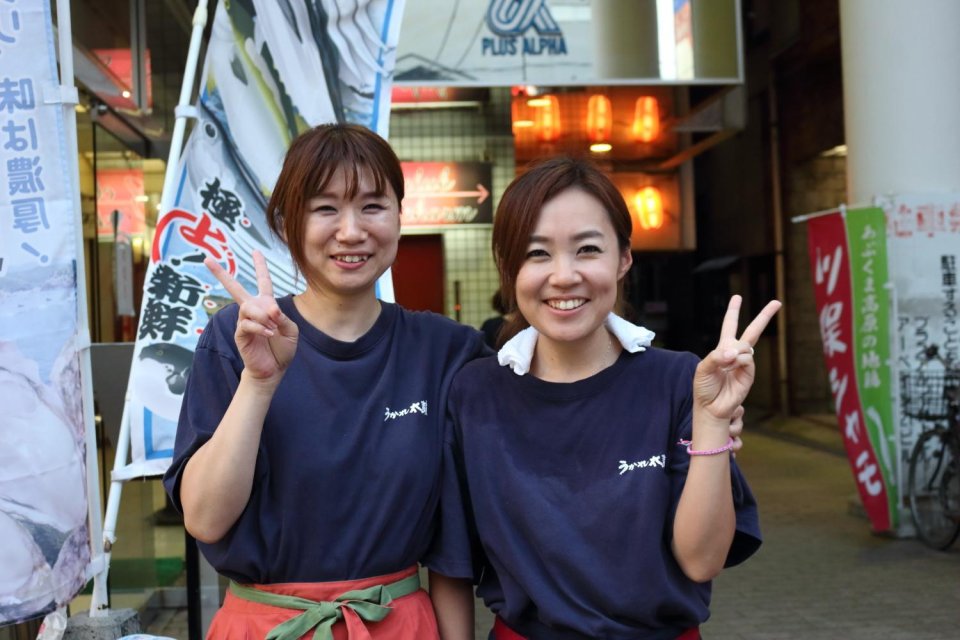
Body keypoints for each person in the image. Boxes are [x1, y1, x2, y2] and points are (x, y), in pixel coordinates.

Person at [431, 157, 782, 639]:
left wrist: (713, 423)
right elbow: (453, 564)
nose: (563, 276)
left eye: (587, 249)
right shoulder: (474, 393)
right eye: (537, 253)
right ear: (507, 267)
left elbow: (701, 562)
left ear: (623, 259)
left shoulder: (680, 381)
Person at [162, 123, 487, 640]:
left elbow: (453, 545)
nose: (352, 231)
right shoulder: (236, 338)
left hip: (399, 627)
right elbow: (205, 519)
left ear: (401, 216)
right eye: (326, 208)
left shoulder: (444, 351)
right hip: (266, 626)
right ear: (289, 224)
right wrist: (259, 383)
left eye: (373, 206)